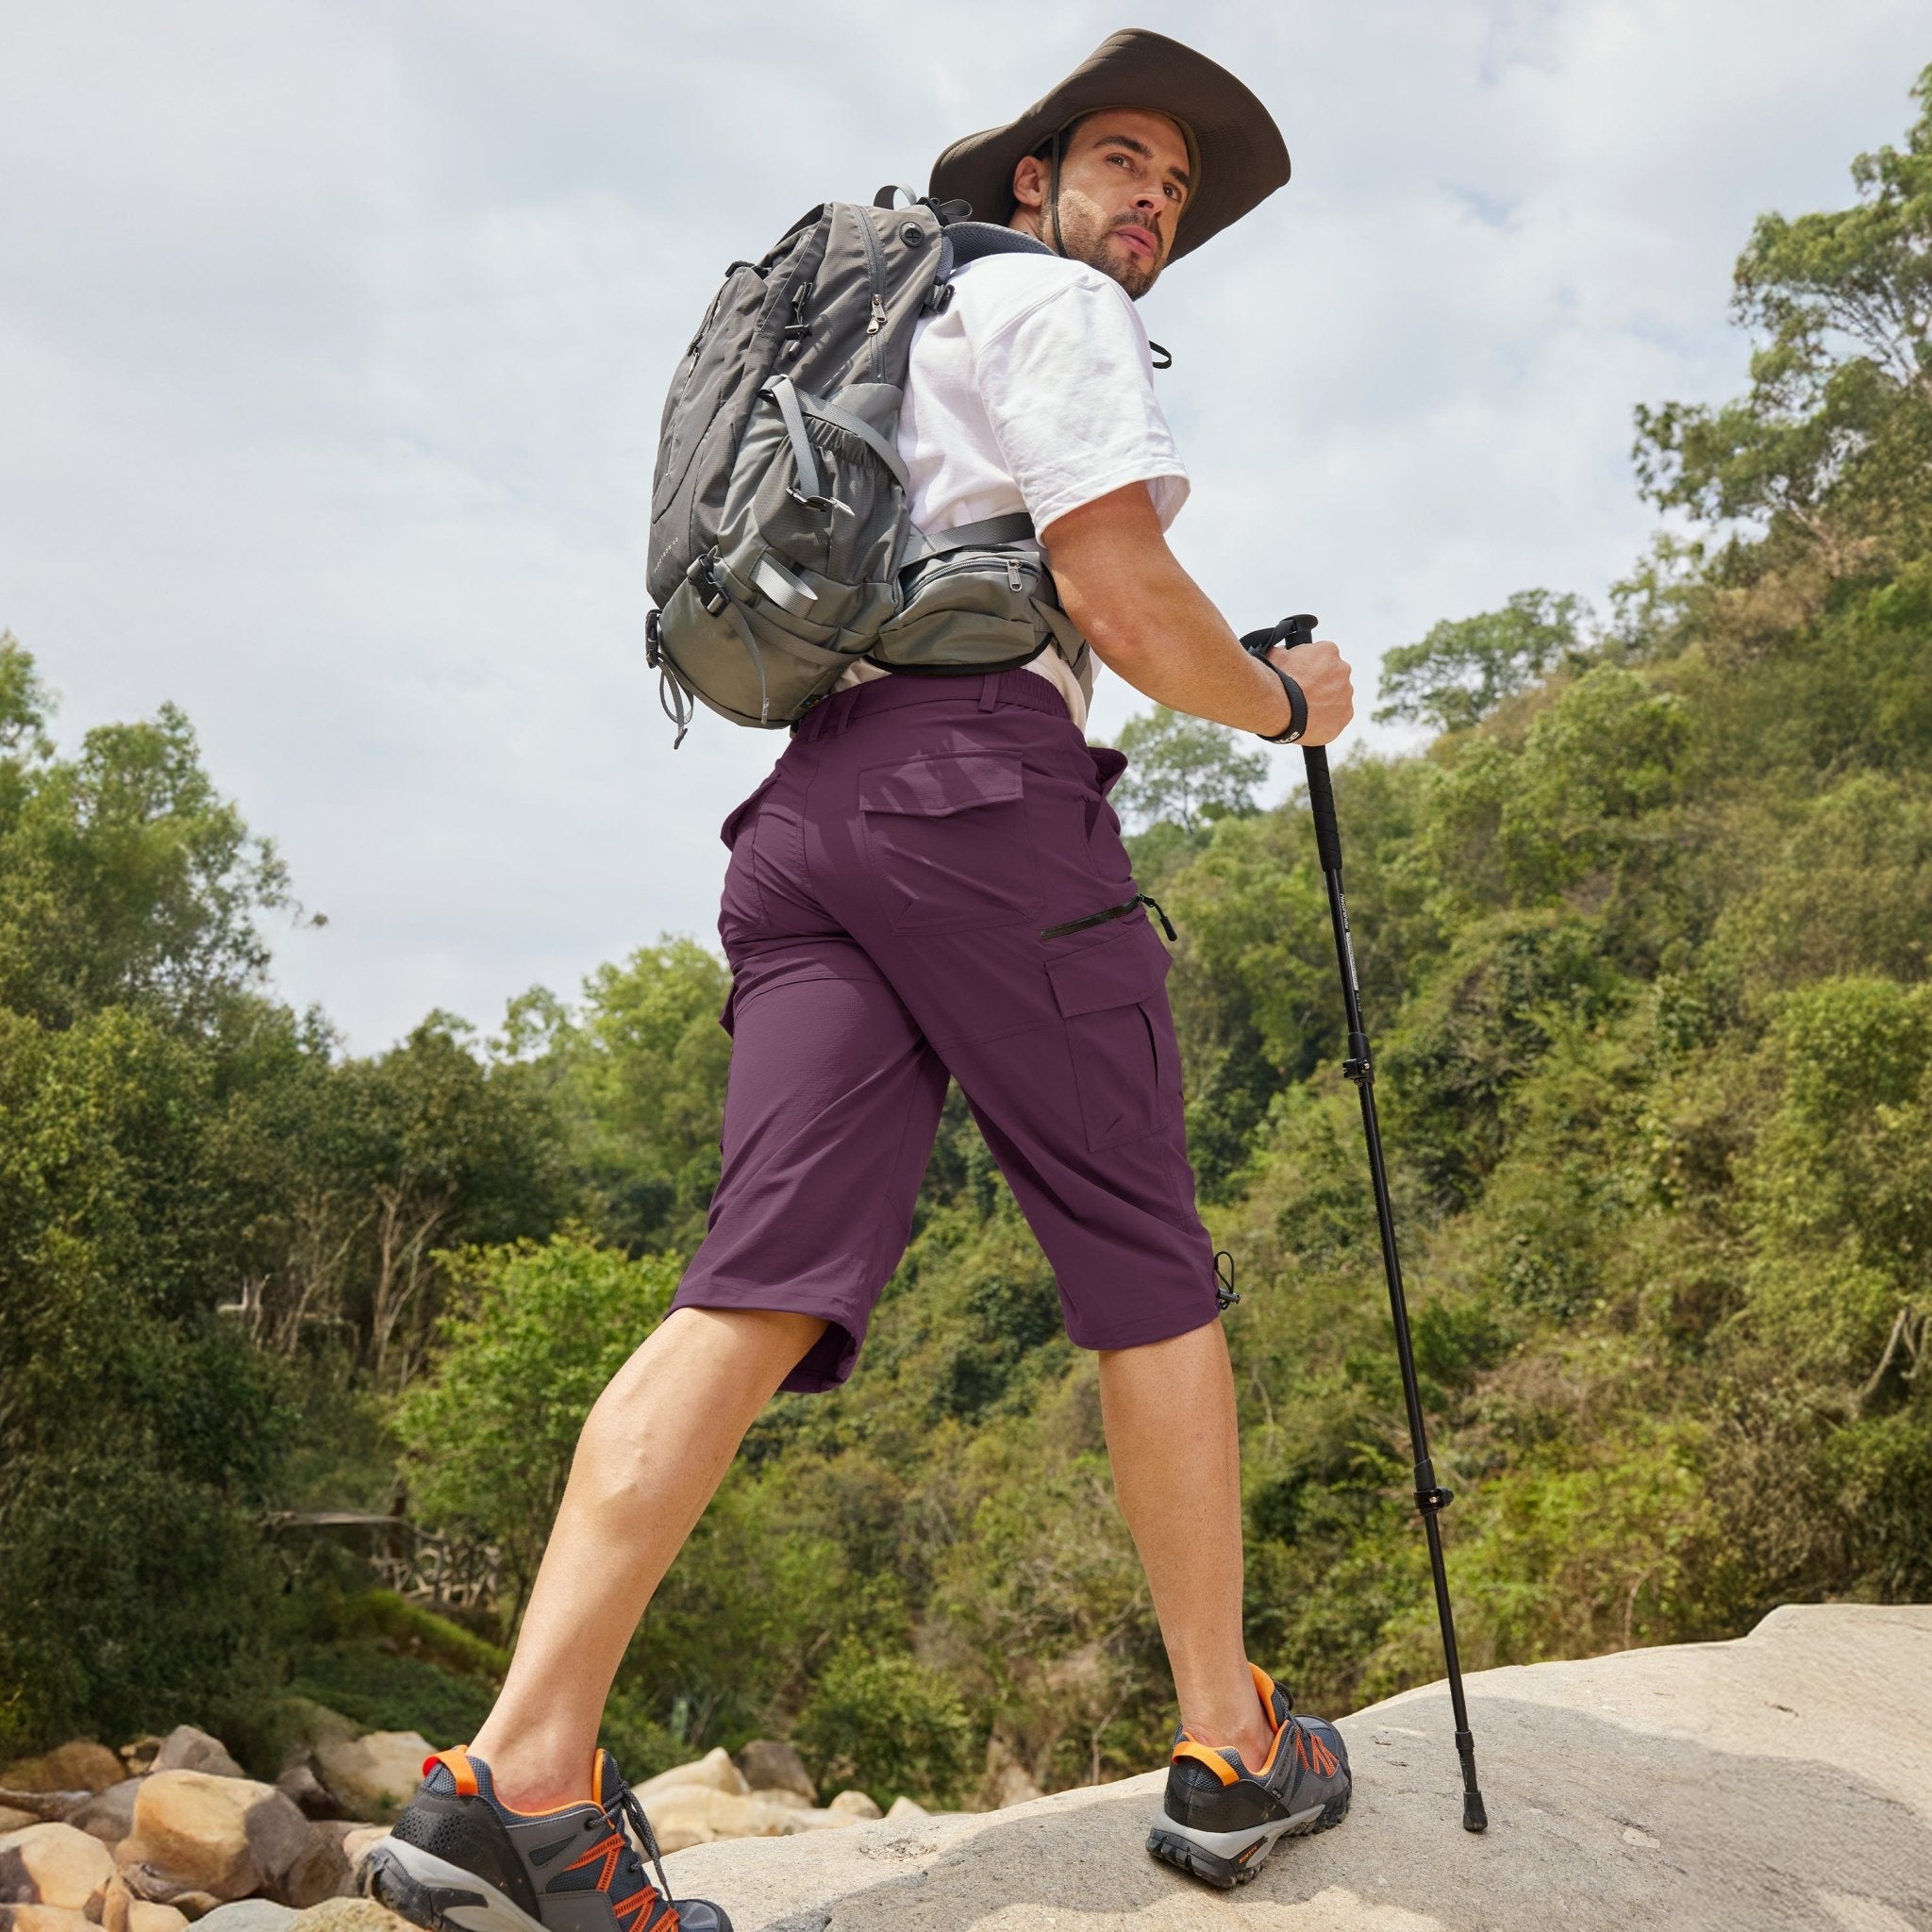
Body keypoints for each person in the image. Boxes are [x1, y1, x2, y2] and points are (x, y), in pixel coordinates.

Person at [368, 30, 1357, 1932]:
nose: (1153, 203)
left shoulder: (901, 332)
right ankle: (1234, 1745)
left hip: (812, 814)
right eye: (1123, 161)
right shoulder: (1055, 306)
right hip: (982, 797)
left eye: (1175, 189)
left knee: (746, 1286)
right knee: (1145, 1256)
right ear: (1030, 184)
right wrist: (1281, 702)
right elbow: (1119, 592)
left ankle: (517, 1776)